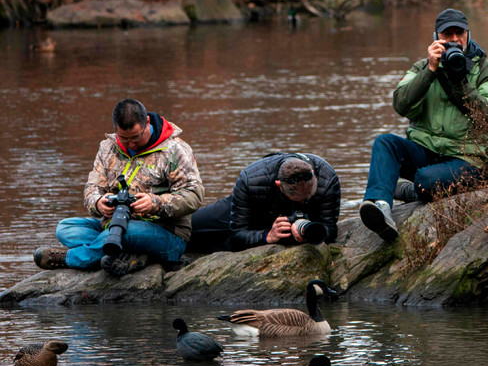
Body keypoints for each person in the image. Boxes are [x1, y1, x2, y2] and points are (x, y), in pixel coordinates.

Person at [358, 8, 488, 243]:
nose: (455, 39)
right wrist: (430, 71)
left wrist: (460, 81)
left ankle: (410, 191)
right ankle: (380, 206)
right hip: (425, 151)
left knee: (426, 179)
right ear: (437, 37)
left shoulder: (486, 69)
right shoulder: (422, 67)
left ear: (468, 33)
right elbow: (401, 104)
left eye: (460, 33)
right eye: (448, 34)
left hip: (466, 158)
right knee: (385, 143)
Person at [33, 98, 204, 276]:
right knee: (66, 228)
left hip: (167, 233)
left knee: (127, 232)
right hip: (113, 224)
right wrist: (99, 203)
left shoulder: (175, 150)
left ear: (146, 122)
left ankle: (72, 259)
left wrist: (156, 203)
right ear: (115, 128)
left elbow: (194, 195)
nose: (131, 144)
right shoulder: (107, 148)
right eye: (124, 138)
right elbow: (92, 188)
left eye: (136, 138)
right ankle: (129, 255)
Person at [188, 153, 340, 253]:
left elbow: (330, 229)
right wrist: (267, 237)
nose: (302, 202)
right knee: (189, 226)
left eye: (307, 199)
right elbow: (237, 233)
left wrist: (309, 232)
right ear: (279, 185)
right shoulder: (251, 179)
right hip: (257, 208)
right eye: (298, 199)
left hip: (290, 216)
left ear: (314, 176)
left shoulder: (327, 180)